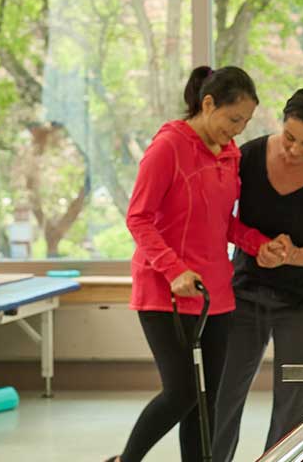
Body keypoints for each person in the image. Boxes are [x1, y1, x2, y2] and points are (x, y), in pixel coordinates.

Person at [115, 65, 293, 462]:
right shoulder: (168, 148)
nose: (238, 130)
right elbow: (138, 217)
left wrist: (258, 244)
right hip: (166, 292)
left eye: (245, 122)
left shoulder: (229, 154)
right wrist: (174, 270)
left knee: (206, 401)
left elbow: (222, 221)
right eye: (233, 119)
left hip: (217, 294)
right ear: (208, 103)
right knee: (180, 392)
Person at [211, 80, 303, 462]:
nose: (294, 149)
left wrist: (291, 254)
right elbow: (217, 215)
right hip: (245, 292)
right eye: (289, 136)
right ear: (282, 122)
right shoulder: (247, 156)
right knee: (221, 393)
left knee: (297, 402)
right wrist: (256, 246)